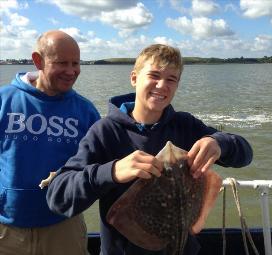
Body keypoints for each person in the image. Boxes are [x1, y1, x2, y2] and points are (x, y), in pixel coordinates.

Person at [46, 44, 253, 255]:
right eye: (154, 75)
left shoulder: (185, 125)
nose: (162, 85)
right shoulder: (106, 131)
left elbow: (245, 154)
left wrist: (219, 143)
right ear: (134, 78)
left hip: (183, 246)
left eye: (171, 79)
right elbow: (58, 197)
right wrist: (112, 171)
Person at [0, 30, 100, 255]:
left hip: (64, 227)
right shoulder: (4, 100)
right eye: (62, 63)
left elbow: (98, 165)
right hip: (6, 228)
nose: (71, 71)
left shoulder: (86, 111)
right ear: (38, 60)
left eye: (76, 63)